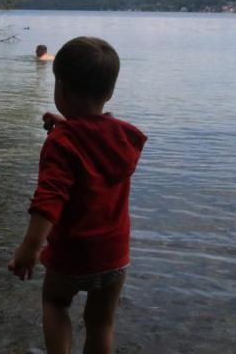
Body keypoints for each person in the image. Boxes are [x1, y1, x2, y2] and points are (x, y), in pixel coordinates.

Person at [9, 37, 146, 354]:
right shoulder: (121, 136)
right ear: (109, 92)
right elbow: (93, 141)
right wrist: (69, 126)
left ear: (61, 89)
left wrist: (30, 249)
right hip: (115, 254)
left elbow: (49, 200)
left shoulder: (62, 143)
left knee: (55, 303)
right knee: (101, 323)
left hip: (73, 254)